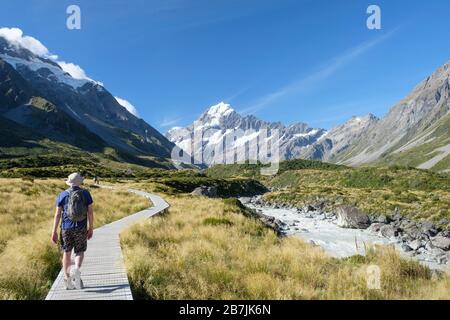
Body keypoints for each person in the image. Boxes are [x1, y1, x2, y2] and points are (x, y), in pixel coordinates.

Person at [51, 173, 94, 290]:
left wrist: (54, 231)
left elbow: (57, 214)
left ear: (69, 182)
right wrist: (91, 228)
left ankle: (67, 279)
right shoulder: (86, 194)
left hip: (66, 227)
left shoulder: (62, 195)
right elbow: (90, 212)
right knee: (79, 251)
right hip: (81, 227)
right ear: (80, 182)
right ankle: (76, 269)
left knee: (67, 252)